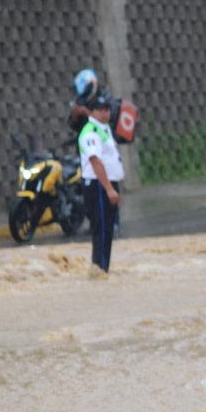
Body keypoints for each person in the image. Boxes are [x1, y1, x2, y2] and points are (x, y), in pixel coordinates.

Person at [78, 93, 123, 278]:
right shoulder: (91, 132)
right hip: (99, 186)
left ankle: (104, 269)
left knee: (108, 227)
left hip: (106, 184)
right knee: (102, 229)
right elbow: (96, 162)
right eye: (101, 110)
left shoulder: (104, 128)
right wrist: (109, 189)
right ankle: (99, 269)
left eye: (107, 109)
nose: (106, 113)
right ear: (92, 111)